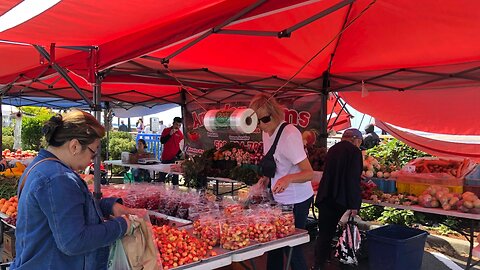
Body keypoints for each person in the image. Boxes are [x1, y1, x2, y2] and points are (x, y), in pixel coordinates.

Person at [11, 109, 142, 270]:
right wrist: (122, 226)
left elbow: (67, 211)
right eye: (93, 153)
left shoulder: (40, 166)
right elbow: (74, 241)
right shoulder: (59, 178)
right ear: (74, 146)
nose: (92, 160)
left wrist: (109, 206)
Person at [249, 94, 314, 270]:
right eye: (256, 121)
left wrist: (288, 178)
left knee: (291, 247)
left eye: (264, 119)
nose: (261, 124)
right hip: (279, 199)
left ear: (275, 114)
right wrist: (266, 179)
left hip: (297, 200)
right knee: (274, 244)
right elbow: (277, 163)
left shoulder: (290, 135)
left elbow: (309, 173)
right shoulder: (266, 132)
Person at [312, 128, 363, 270]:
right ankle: (343, 261)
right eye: (359, 141)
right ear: (355, 139)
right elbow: (353, 180)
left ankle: (318, 264)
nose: (359, 144)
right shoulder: (354, 152)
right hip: (342, 199)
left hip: (326, 196)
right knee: (343, 232)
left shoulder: (333, 149)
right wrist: (354, 205)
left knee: (324, 234)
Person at [159, 117, 184, 185]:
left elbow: (178, 146)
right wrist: (170, 134)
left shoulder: (180, 134)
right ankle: (160, 192)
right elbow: (162, 141)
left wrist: (181, 154)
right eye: (176, 124)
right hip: (166, 157)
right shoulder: (166, 130)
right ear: (173, 124)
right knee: (162, 177)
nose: (177, 127)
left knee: (175, 177)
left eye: (179, 125)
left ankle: (174, 192)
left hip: (174, 158)